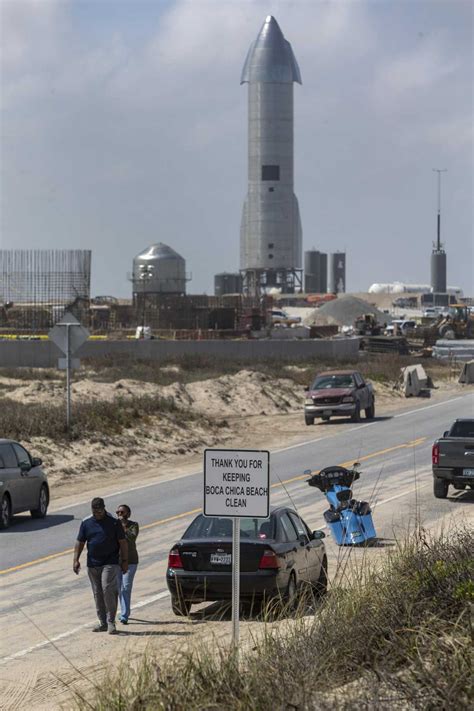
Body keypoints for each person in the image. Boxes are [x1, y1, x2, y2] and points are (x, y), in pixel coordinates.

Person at [73, 497, 128, 635]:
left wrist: (125, 561)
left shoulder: (114, 523)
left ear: (104, 508)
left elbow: (123, 542)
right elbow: (80, 542)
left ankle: (111, 622)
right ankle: (102, 622)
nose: (97, 513)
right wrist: (76, 559)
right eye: (95, 511)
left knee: (107, 589)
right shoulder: (86, 523)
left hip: (110, 562)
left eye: (99, 511)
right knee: (97, 593)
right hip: (92, 564)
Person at [115, 504, 139, 624]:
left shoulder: (133, 525)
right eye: (118, 512)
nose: (119, 515)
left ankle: (124, 615)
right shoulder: (114, 525)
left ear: (128, 514)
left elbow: (131, 537)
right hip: (117, 562)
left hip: (131, 561)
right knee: (119, 588)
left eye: (122, 512)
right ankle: (124, 610)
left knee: (126, 587)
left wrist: (122, 526)